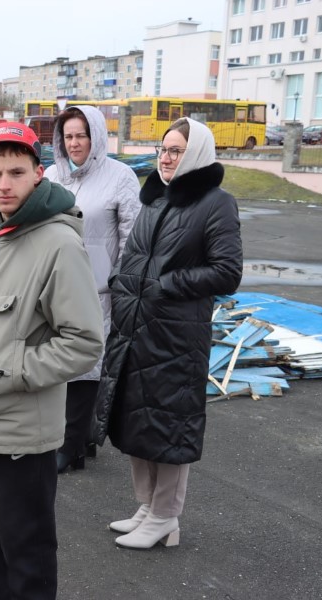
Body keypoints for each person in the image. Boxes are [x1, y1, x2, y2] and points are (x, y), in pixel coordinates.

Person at [0, 123, 104, 600]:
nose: (4, 185)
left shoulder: (59, 245)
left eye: (16, 172)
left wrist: (13, 372)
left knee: (26, 540)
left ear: (38, 173)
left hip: (22, 426)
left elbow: (84, 342)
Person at [95, 117, 243, 550]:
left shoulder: (216, 203)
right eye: (163, 148)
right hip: (135, 328)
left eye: (176, 150)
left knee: (169, 425)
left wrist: (165, 286)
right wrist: (123, 285)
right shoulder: (156, 199)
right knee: (137, 419)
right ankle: (147, 507)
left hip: (177, 335)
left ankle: (165, 515)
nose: (166, 157)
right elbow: (132, 254)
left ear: (195, 153)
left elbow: (227, 271)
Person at [44, 106, 141, 473]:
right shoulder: (52, 175)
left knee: (87, 364)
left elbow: (132, 237)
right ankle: (80, 438)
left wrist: (121, 282)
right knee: (60, 359)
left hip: (100, 288)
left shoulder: (120, 177)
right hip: (57, 285)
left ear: (96, 137)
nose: (74, 143)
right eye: (68, 136)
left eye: (81, 135)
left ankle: (71, 446)